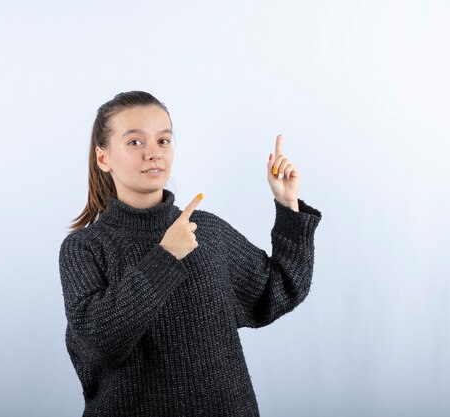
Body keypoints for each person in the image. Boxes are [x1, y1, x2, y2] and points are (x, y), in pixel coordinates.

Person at [58, 90, 323, 416]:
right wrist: (166, 257)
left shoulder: (205, 230)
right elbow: (98, 345)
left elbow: (279, 288)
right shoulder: (84, 248)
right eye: (135, 142)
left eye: (163, 141)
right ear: (104, 158)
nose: (153, 154)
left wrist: (288, 206)